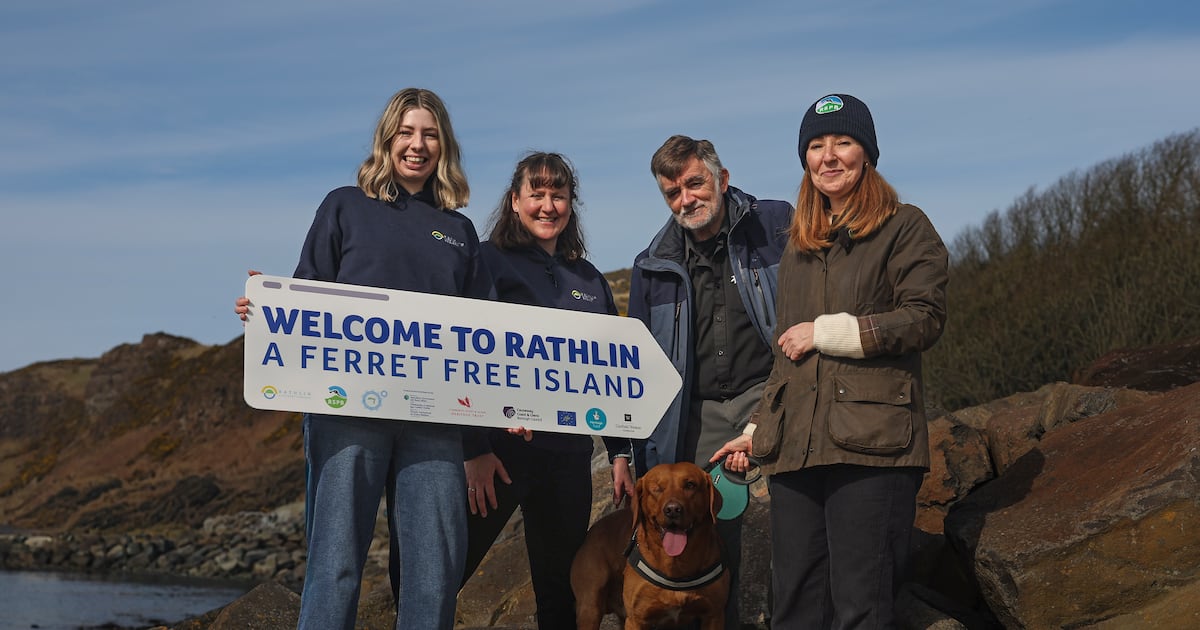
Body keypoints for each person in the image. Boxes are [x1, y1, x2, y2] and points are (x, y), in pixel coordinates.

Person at [235, 87, 489, 630]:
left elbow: (484, 332)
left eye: (429, 134)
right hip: (347, 413)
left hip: (435, 422)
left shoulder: (461, 232)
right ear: (387, 139)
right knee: (336, 565)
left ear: (444, 145)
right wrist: (269, 308)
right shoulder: (344, 205)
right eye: (406, 132)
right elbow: (309, 295)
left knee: (435, 572)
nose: (417, 145)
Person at [712, 93, 949, 629]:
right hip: (796, 452)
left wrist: (829, 332)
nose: (829, 156)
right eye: (816, 146)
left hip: (874, 447)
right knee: (794, 606)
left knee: (860, 606)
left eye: (843, 142)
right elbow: (786, 355)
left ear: (867, 154)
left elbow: (923, 318)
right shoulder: (798, 245)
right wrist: (757, 430)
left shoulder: (905, 226)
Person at [453, 151, 634, 629]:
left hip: (567, 459)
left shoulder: (590, 280)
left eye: (559, 195)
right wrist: (473, 447)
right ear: (515, 201)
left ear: (571, 205)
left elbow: (609, 369)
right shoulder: (486, 261)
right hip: (498, 455)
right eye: (537, 194)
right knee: (441, 573)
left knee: (560, 595)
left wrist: (619, 452)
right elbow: (462, 353)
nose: (548, 205)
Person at [627, 134, 794, 628]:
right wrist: (625, 452)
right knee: (712, 541)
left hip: (771, 393)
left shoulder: (776, 223)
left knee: (794, 526)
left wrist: (766, 417)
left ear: (722, 179)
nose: (686, 199)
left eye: (695, 183)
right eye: (672, 192)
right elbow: (639, 365)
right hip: (695, 414)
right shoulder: (649, 265)